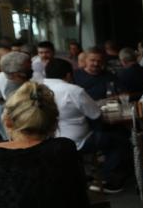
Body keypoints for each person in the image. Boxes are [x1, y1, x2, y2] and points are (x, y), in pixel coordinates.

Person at [43, 58, 127, 193]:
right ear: (69, 75)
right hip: (77, 141)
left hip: (48, 140)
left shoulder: (37, 88)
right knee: (119, 140)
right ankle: (107, 179)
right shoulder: (73, 90)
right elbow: (95, 114)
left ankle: (85, 173)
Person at [0, 51, 31, 141]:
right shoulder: (1, 77)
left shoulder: (0, 76)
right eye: (29, 66)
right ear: (17, 73)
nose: (31, 67)